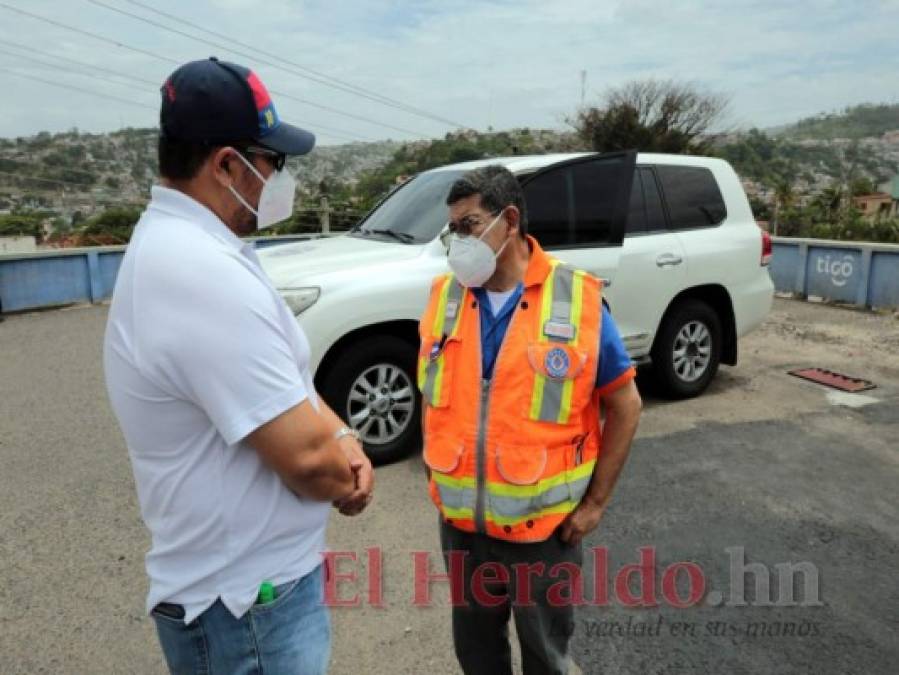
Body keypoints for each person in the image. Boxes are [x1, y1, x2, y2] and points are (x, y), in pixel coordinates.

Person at [103, 57, 373, 675]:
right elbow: (307, 463)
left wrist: (343, 435)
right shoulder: (197, 273)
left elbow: (290, 380)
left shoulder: (202, 250)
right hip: (246, 609)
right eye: (272, 162)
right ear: (227, 164)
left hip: (249, 596)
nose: (278, 178)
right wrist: (345, 470)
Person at [418, 165, 642, 675]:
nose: (459, 240)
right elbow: (436, 398)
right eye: (452, 229)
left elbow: (625, 405)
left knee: (546, 656)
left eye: (469, 225)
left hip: (543, 535)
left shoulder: (577, 300)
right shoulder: (444, 297)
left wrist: (596, 505)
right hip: (462, 527)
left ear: (510, 220)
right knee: (477, 655)